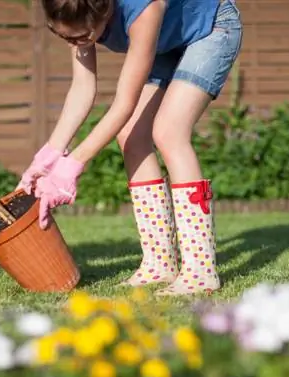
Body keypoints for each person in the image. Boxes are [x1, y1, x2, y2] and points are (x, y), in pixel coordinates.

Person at [17, 0, 243, 295]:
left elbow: (124, 103)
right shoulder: (78, 13)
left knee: (169, 131)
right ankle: (159, 263)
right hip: (168, 40)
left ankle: (201, 272)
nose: (75, 44)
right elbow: (83, 88)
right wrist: (48, 156)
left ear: (104, 12)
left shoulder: (144, 9)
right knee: (130, 136)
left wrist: (73, 165)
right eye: (64, 37)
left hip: (211, 28)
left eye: (81, 37)